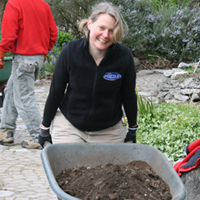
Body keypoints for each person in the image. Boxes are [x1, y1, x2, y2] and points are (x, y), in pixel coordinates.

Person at [39, 2, 138, 147]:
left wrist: (132, 129)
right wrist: (44, 128)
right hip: (70, 126)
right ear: (90, 24)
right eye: (102, 28)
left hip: (109, 130)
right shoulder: (71, 52)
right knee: (69, 168)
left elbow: (129, 96)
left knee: (108, 170)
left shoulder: (123, 57)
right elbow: (56, 92)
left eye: (111, 31)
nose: (105, 35)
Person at [0, 0, 58, 149]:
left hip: (23, 59)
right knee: (11, 90)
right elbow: (53, 33)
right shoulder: (43, 5)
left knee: (25, 99)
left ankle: (39, 137)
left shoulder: (14, 3)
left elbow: (9, 34)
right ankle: (6, 130)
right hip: (37, 58)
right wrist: (44, 50)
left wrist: (1, 54)